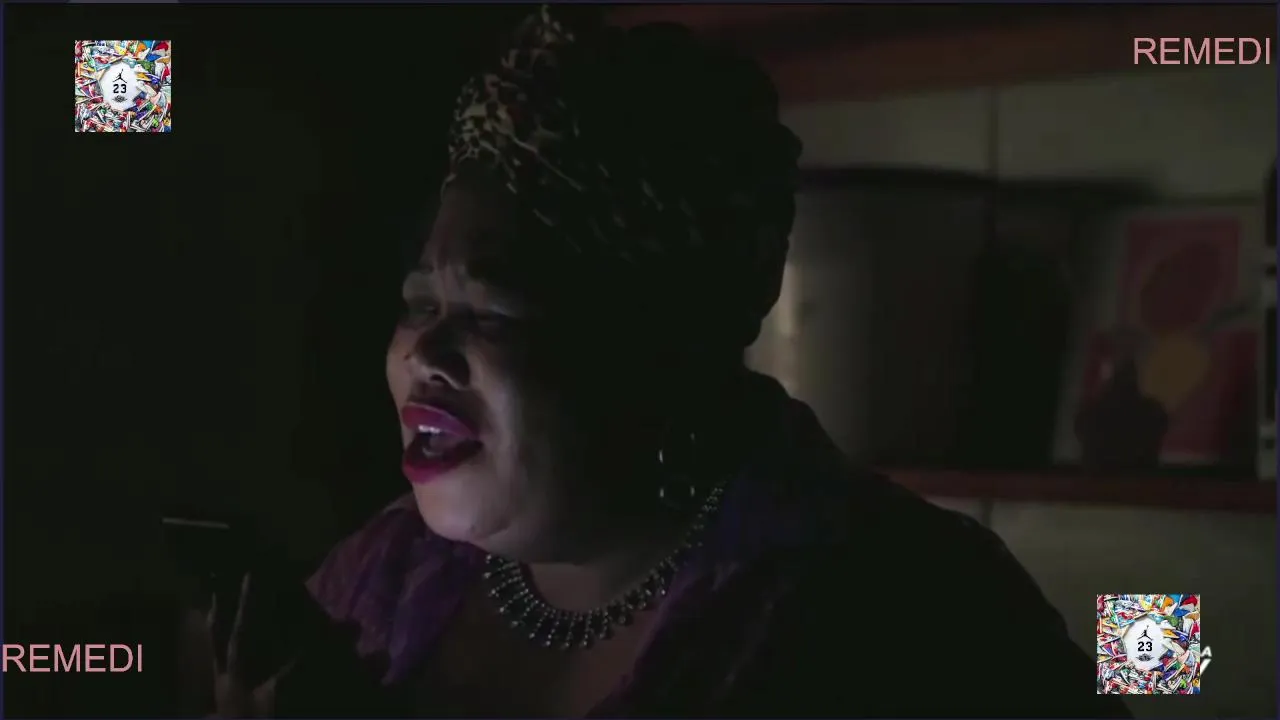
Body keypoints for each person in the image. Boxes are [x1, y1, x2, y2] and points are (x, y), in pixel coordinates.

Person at [205, 7, 1133, 718]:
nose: (426, 353)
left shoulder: (905, 612)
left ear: (658, 347)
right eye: (419, 304)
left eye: (492, 311)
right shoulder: (383, 578)